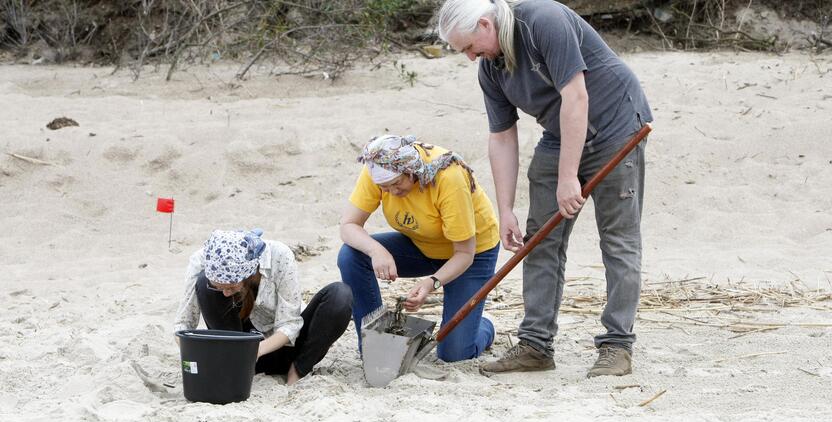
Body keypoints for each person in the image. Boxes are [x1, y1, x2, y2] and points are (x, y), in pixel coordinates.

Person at [437, 0, 652, 377]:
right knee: (539, 240)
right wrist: (505, 209)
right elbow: (501, 136)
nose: (471, 58)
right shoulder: (491, 69)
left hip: (616, 127)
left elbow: (576, 95)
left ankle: (617, 346)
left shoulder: (543, 20)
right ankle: (535, 345)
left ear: (485, 24)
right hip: (560, 133)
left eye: (469, 47)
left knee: (618, 240)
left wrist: (569, 176)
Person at [337, 135, 501, 362]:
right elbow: (348, 225)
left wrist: (430, 283)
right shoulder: (377, 165)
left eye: (397, 183)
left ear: (411, 169)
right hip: (422, 244)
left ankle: (485, 324)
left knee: (454, 354)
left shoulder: (448, 178)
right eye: (385, 188)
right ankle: (375, 343)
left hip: (470, 254)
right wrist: (377, 251)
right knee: (351, 255)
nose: (392, 192)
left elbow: (464, 254)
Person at [173, 229, 352, 385]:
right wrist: (198, 357)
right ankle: (236, 370)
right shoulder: (200, 259)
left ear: (249, 273)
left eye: (231, 287)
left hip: (284, 348)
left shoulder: (279, 256)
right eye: (219, 287)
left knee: (340, 296)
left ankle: (296, 373)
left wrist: (254, 351)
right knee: (204, 282)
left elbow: (289, 324)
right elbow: (183, 325)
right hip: (234, 352)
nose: (226, 294)